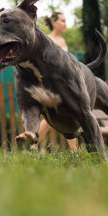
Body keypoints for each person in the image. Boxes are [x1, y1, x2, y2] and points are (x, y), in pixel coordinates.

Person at [39, 12, 78, 150]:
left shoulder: (62, 41)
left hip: (64, 83)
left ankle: (31, 145)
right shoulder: (48, 40)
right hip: (53, 84)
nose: (65, 23)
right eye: (62, 20)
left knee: (62, 117)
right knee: (61, 116)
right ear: (53, 22)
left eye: (65, 20)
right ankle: (31, 145)